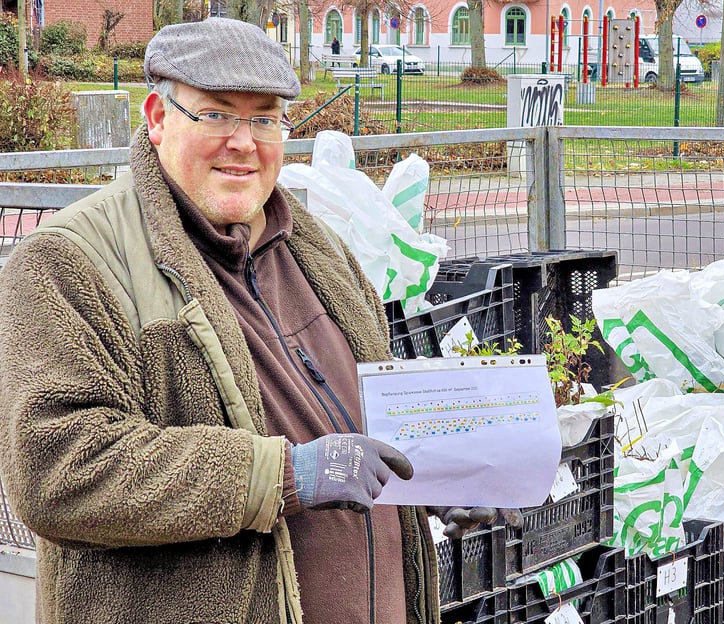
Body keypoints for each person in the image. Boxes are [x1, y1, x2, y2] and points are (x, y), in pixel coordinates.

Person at [0, 17, 514, 624]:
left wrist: (432, 482)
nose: (244, 141)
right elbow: (56, 468)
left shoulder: (318, 250)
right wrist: (284, 472)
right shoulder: (71, 258)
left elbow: (359, 425)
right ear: (158, 118)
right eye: (217, 114)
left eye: (265, 118)